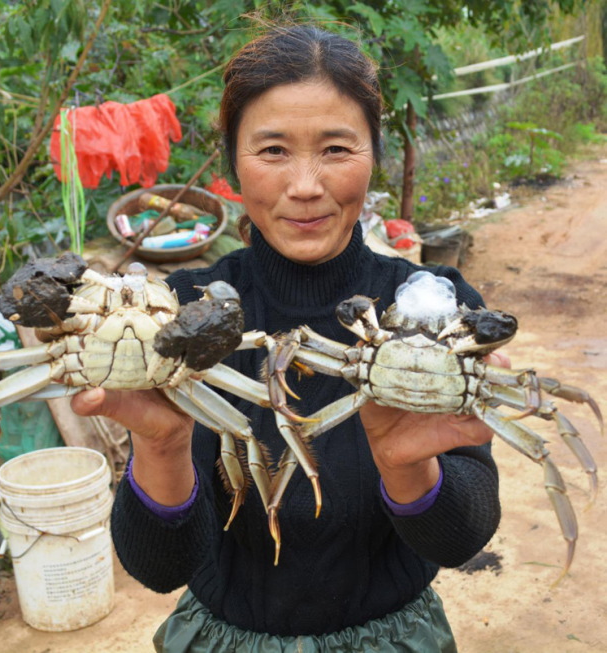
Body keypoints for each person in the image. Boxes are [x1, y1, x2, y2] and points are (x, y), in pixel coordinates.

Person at [72, 24, 505, 652]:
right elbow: (158, 570)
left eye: (335, 148)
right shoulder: (181, 317)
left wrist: (409, 470)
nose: (305, 185)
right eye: (273, 151)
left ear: (373, 155)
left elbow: (464, 539)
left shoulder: (435, 309)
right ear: (233, 165)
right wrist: (162, 446)